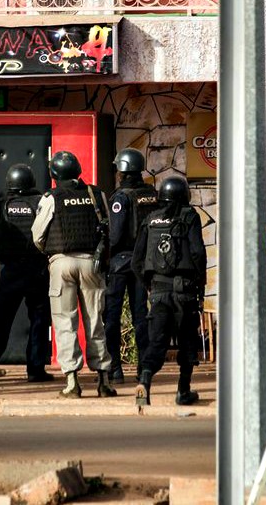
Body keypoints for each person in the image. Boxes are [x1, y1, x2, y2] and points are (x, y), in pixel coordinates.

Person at [32, 150, 118, 398]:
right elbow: (108, 229)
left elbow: (38, 236)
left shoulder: (51, 197)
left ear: (54, 174)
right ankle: (103, 380)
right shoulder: (96, 194)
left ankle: (72, 382)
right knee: (95, 320)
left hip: (61, 263)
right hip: (92, 263)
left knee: (64, 321)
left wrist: (53, 254)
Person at [132, 175, 206, 407]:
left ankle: (144, 380)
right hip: (184, 291)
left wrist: (150, 285)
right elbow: (197, 253)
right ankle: (183, 391)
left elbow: (137, 261)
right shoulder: (189, 216)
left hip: (159, 291)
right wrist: (199, 283)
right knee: (187, 341)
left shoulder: (150, 220)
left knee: (157, 341)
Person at [0, 164, 54, 383]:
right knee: (39, 321)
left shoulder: (1, 203)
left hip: (11, 270)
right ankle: (35, 369)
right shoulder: (41, 201)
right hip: (38, 269)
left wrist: (2, 260)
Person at [103, 148, 159, 383]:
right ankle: (143, 369)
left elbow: (115, 236)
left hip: (120, 263)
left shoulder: (121, 197)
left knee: (112, 317)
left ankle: (115, 368)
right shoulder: (151, 193)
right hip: (143, 262)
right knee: (141, 316)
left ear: (122, 170)